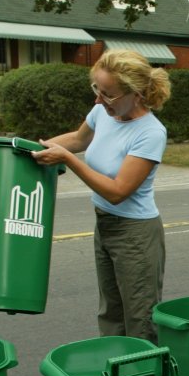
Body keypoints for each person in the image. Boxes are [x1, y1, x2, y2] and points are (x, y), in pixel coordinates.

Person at [31, 49, 171, 342]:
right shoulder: (102, 112)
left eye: (107, 94)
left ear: (136, 93)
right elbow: (77, 139)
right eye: (97, 89)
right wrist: (33, 149)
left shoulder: (150, 133)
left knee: (140, 318)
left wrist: (68, 161)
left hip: (136, 234)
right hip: (104, 224)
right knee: (110, 312)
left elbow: (118, 191)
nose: (98, 100)